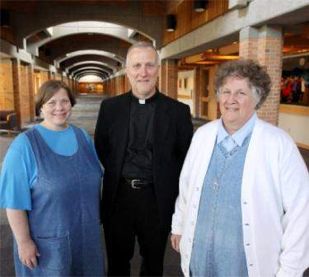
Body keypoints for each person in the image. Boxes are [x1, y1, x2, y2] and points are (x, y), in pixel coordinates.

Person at [171, 59, 309, 277]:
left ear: (257, 98)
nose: (230, 100)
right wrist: (178, 225)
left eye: (241, 93)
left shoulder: (278, 144)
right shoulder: (203, 135)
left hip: (244, 266)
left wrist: (290, 270)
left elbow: (302, 211)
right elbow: (186, 185)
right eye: (225, 92)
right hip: (200, 259)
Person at [95, 41, 193, 276]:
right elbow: (102, 148)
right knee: (117, 263)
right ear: (127, 70)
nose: (143, 72)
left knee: (153, 264)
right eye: (137, 65)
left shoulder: (178, 111)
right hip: (119, 197)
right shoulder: (110, 108)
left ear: (158, 69)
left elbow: (185, 157)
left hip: (157, 200)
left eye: (149, 65)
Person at [0, 80, 105, 276]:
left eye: (64, 101)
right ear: (41, 107)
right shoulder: (24, 146)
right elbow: (13, 202)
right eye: (51, 102)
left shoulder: (82, 137)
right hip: (47, 247)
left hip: (86, 238)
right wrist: (24, 242)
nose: (59, 107)